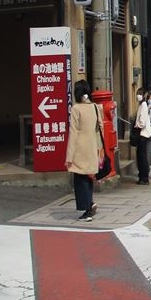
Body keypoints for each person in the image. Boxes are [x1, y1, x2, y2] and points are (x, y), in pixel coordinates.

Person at [65, 79, 100, 222]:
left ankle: (88, 208)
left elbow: (73, 133)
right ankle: (90, 204)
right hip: (91, 148)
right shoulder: (95, 107)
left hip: (79, 149)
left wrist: (69, 157)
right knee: (88, 178)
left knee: (80, 180)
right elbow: (99, 129)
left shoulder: (76, 109)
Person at [134, 87, 151, 185]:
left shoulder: (144, 105)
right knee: (140, 156)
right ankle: (142, 175)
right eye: (138, 93)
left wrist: (137, 126)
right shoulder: (141, 105)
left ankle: (144, 177)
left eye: (140, 93)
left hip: (142, 133)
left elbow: (142, 121)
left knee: (142, 156)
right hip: (141, 133)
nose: (138, 95)